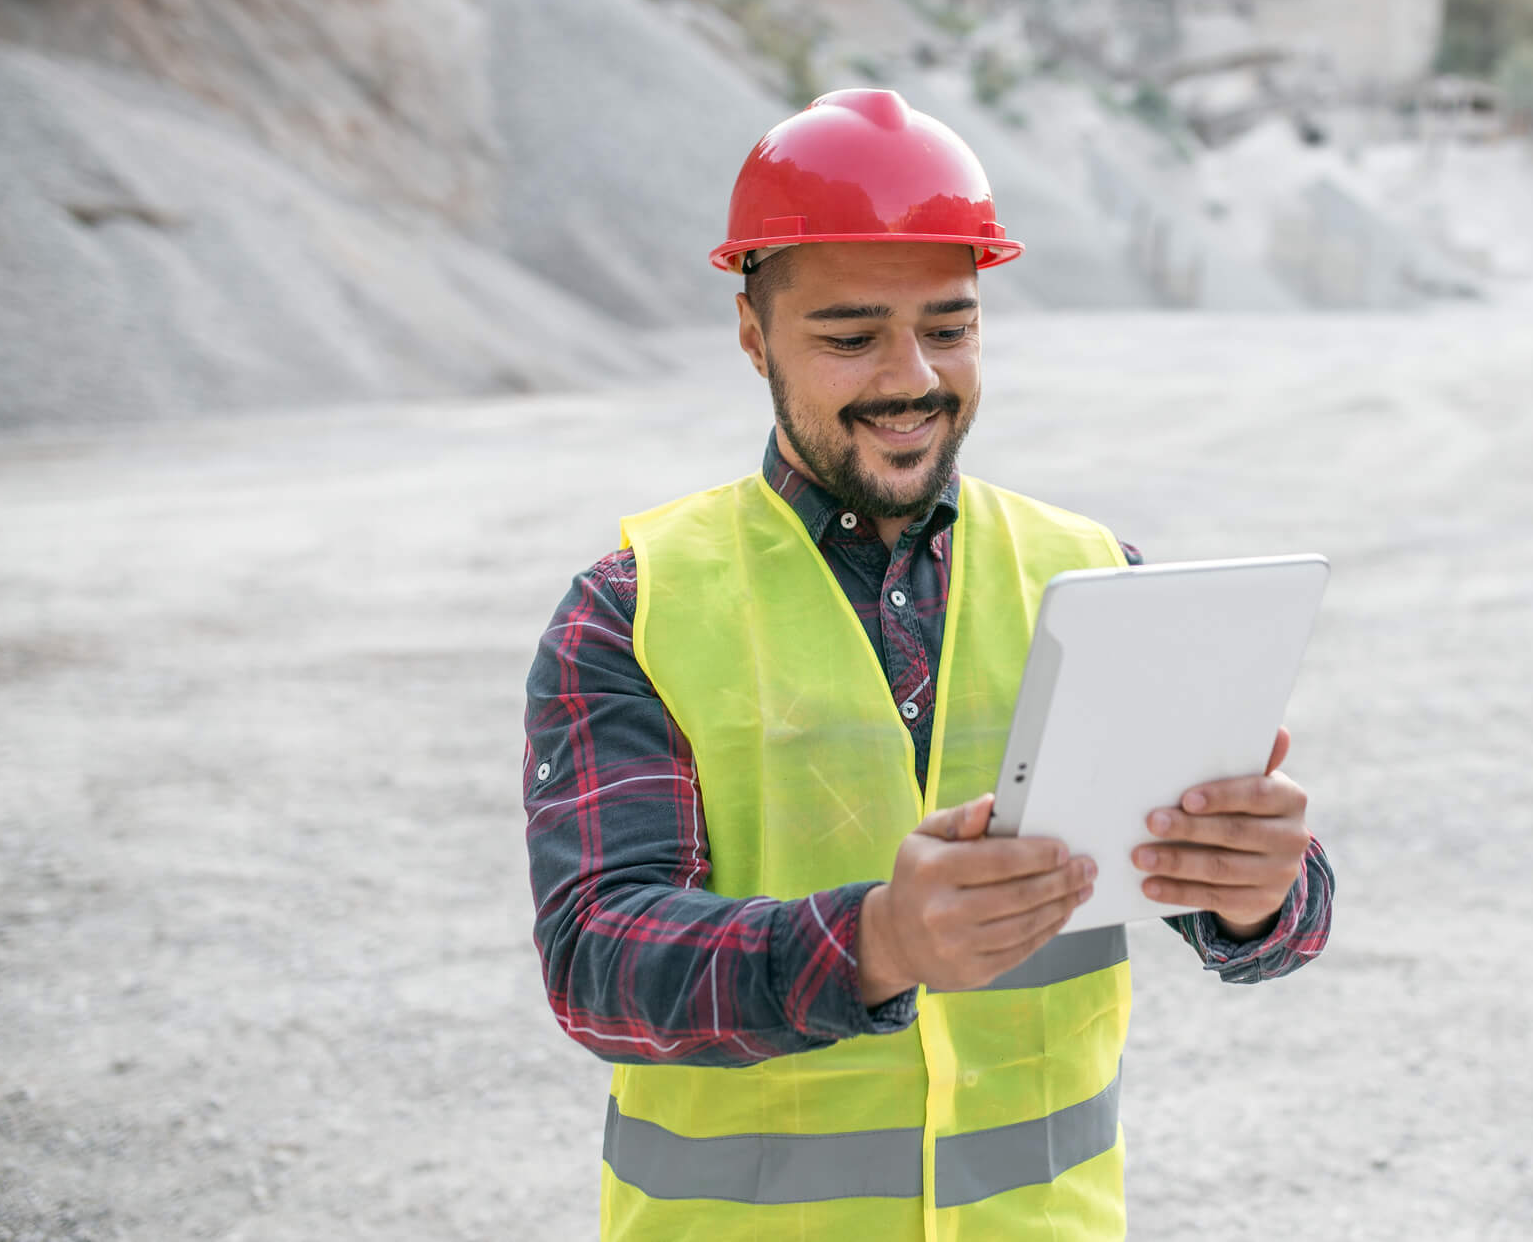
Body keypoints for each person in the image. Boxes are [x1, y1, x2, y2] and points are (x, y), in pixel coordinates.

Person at [521, 88, 1335, 1240]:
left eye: (948, 328)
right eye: (850, 336)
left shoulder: (1091, 577)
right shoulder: (636, 609)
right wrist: (876, 942)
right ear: (753, 336)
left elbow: (1264, 919)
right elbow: (596, 958)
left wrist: (1262, 893)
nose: (911, 376)